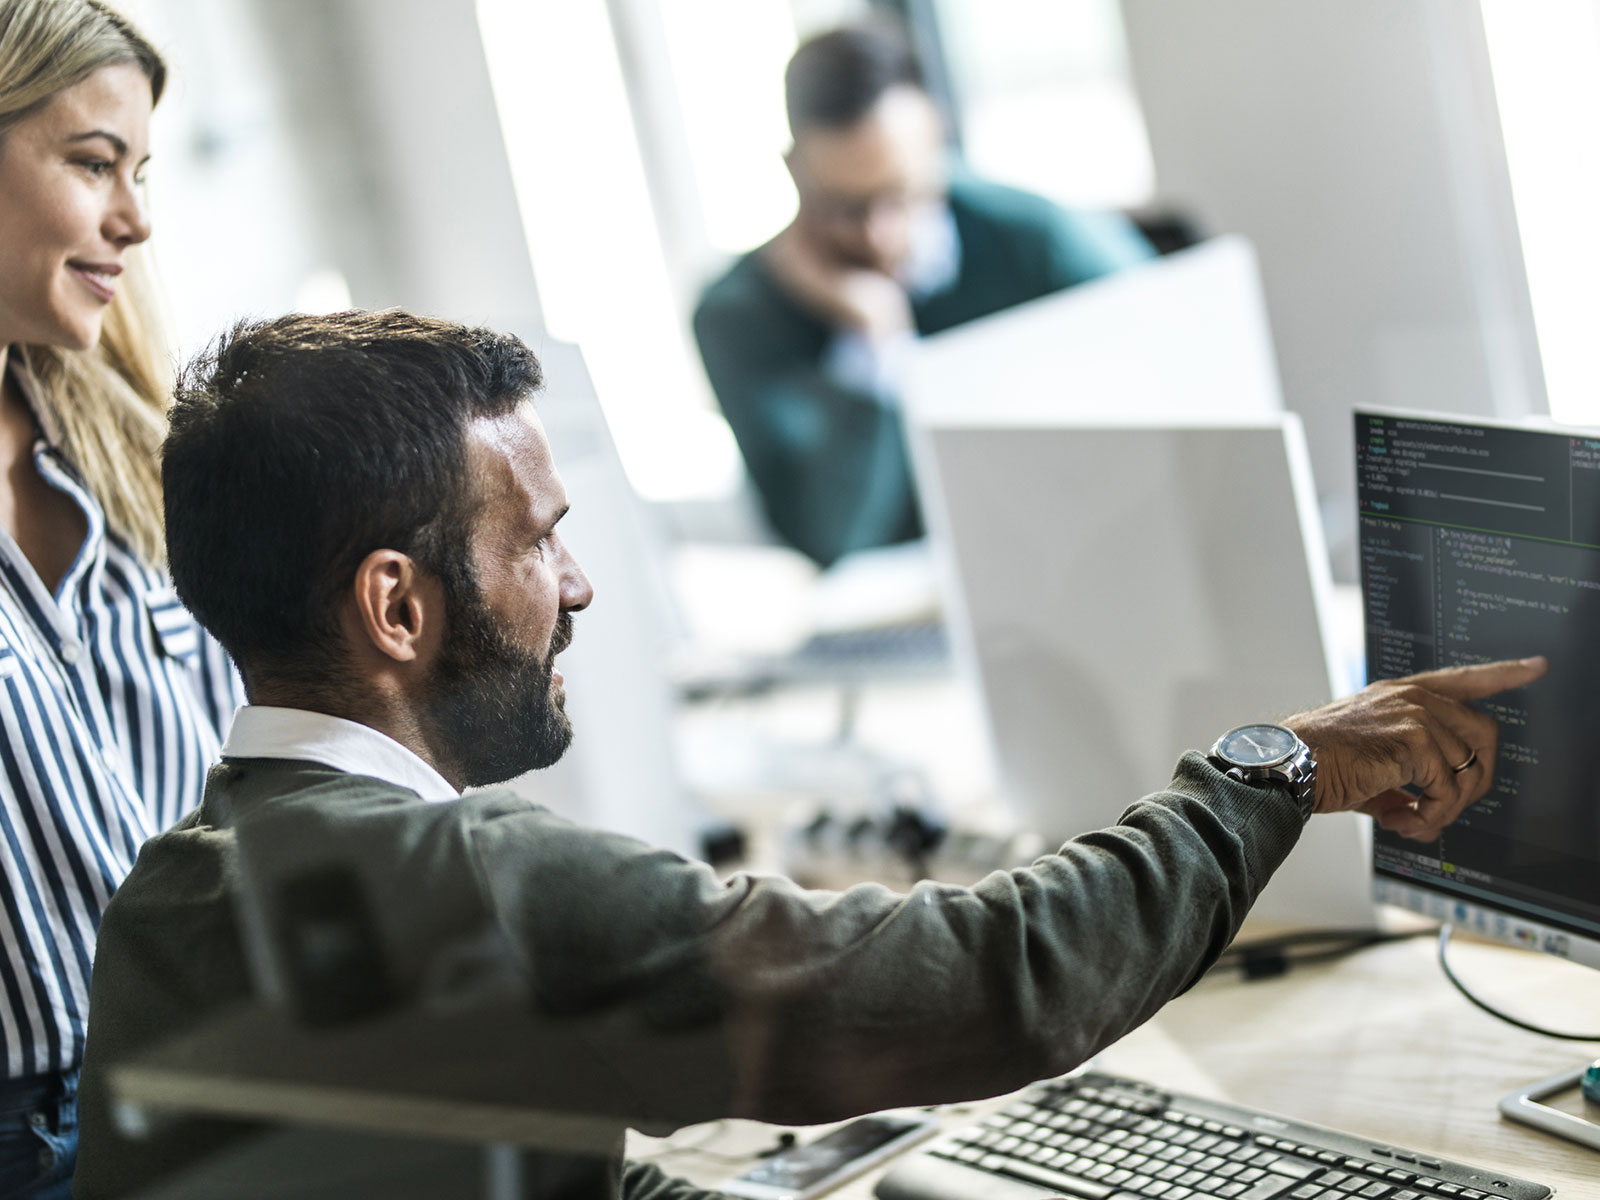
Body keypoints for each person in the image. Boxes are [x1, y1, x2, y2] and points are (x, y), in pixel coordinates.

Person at [75, 311, 1545, 1199]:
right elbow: (997, 978)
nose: (577, 590)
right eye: (540, 541)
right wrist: (1272, 768)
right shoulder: (456, 890)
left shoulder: (171, 901)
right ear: (397, 605)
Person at [0, 3, 240, 1195]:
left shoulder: (137, 458)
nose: (136, 218)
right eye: (96, 164)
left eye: (139, 171)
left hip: (236, 1083)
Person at [692, 23, 1156, 567]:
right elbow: (834, 543)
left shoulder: (1040, 242)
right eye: (845, 205)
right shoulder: (736, 318)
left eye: (899, 195)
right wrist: (876, 347)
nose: (878, 235)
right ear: (794, 172)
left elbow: (1174, 362)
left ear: (937, 136)